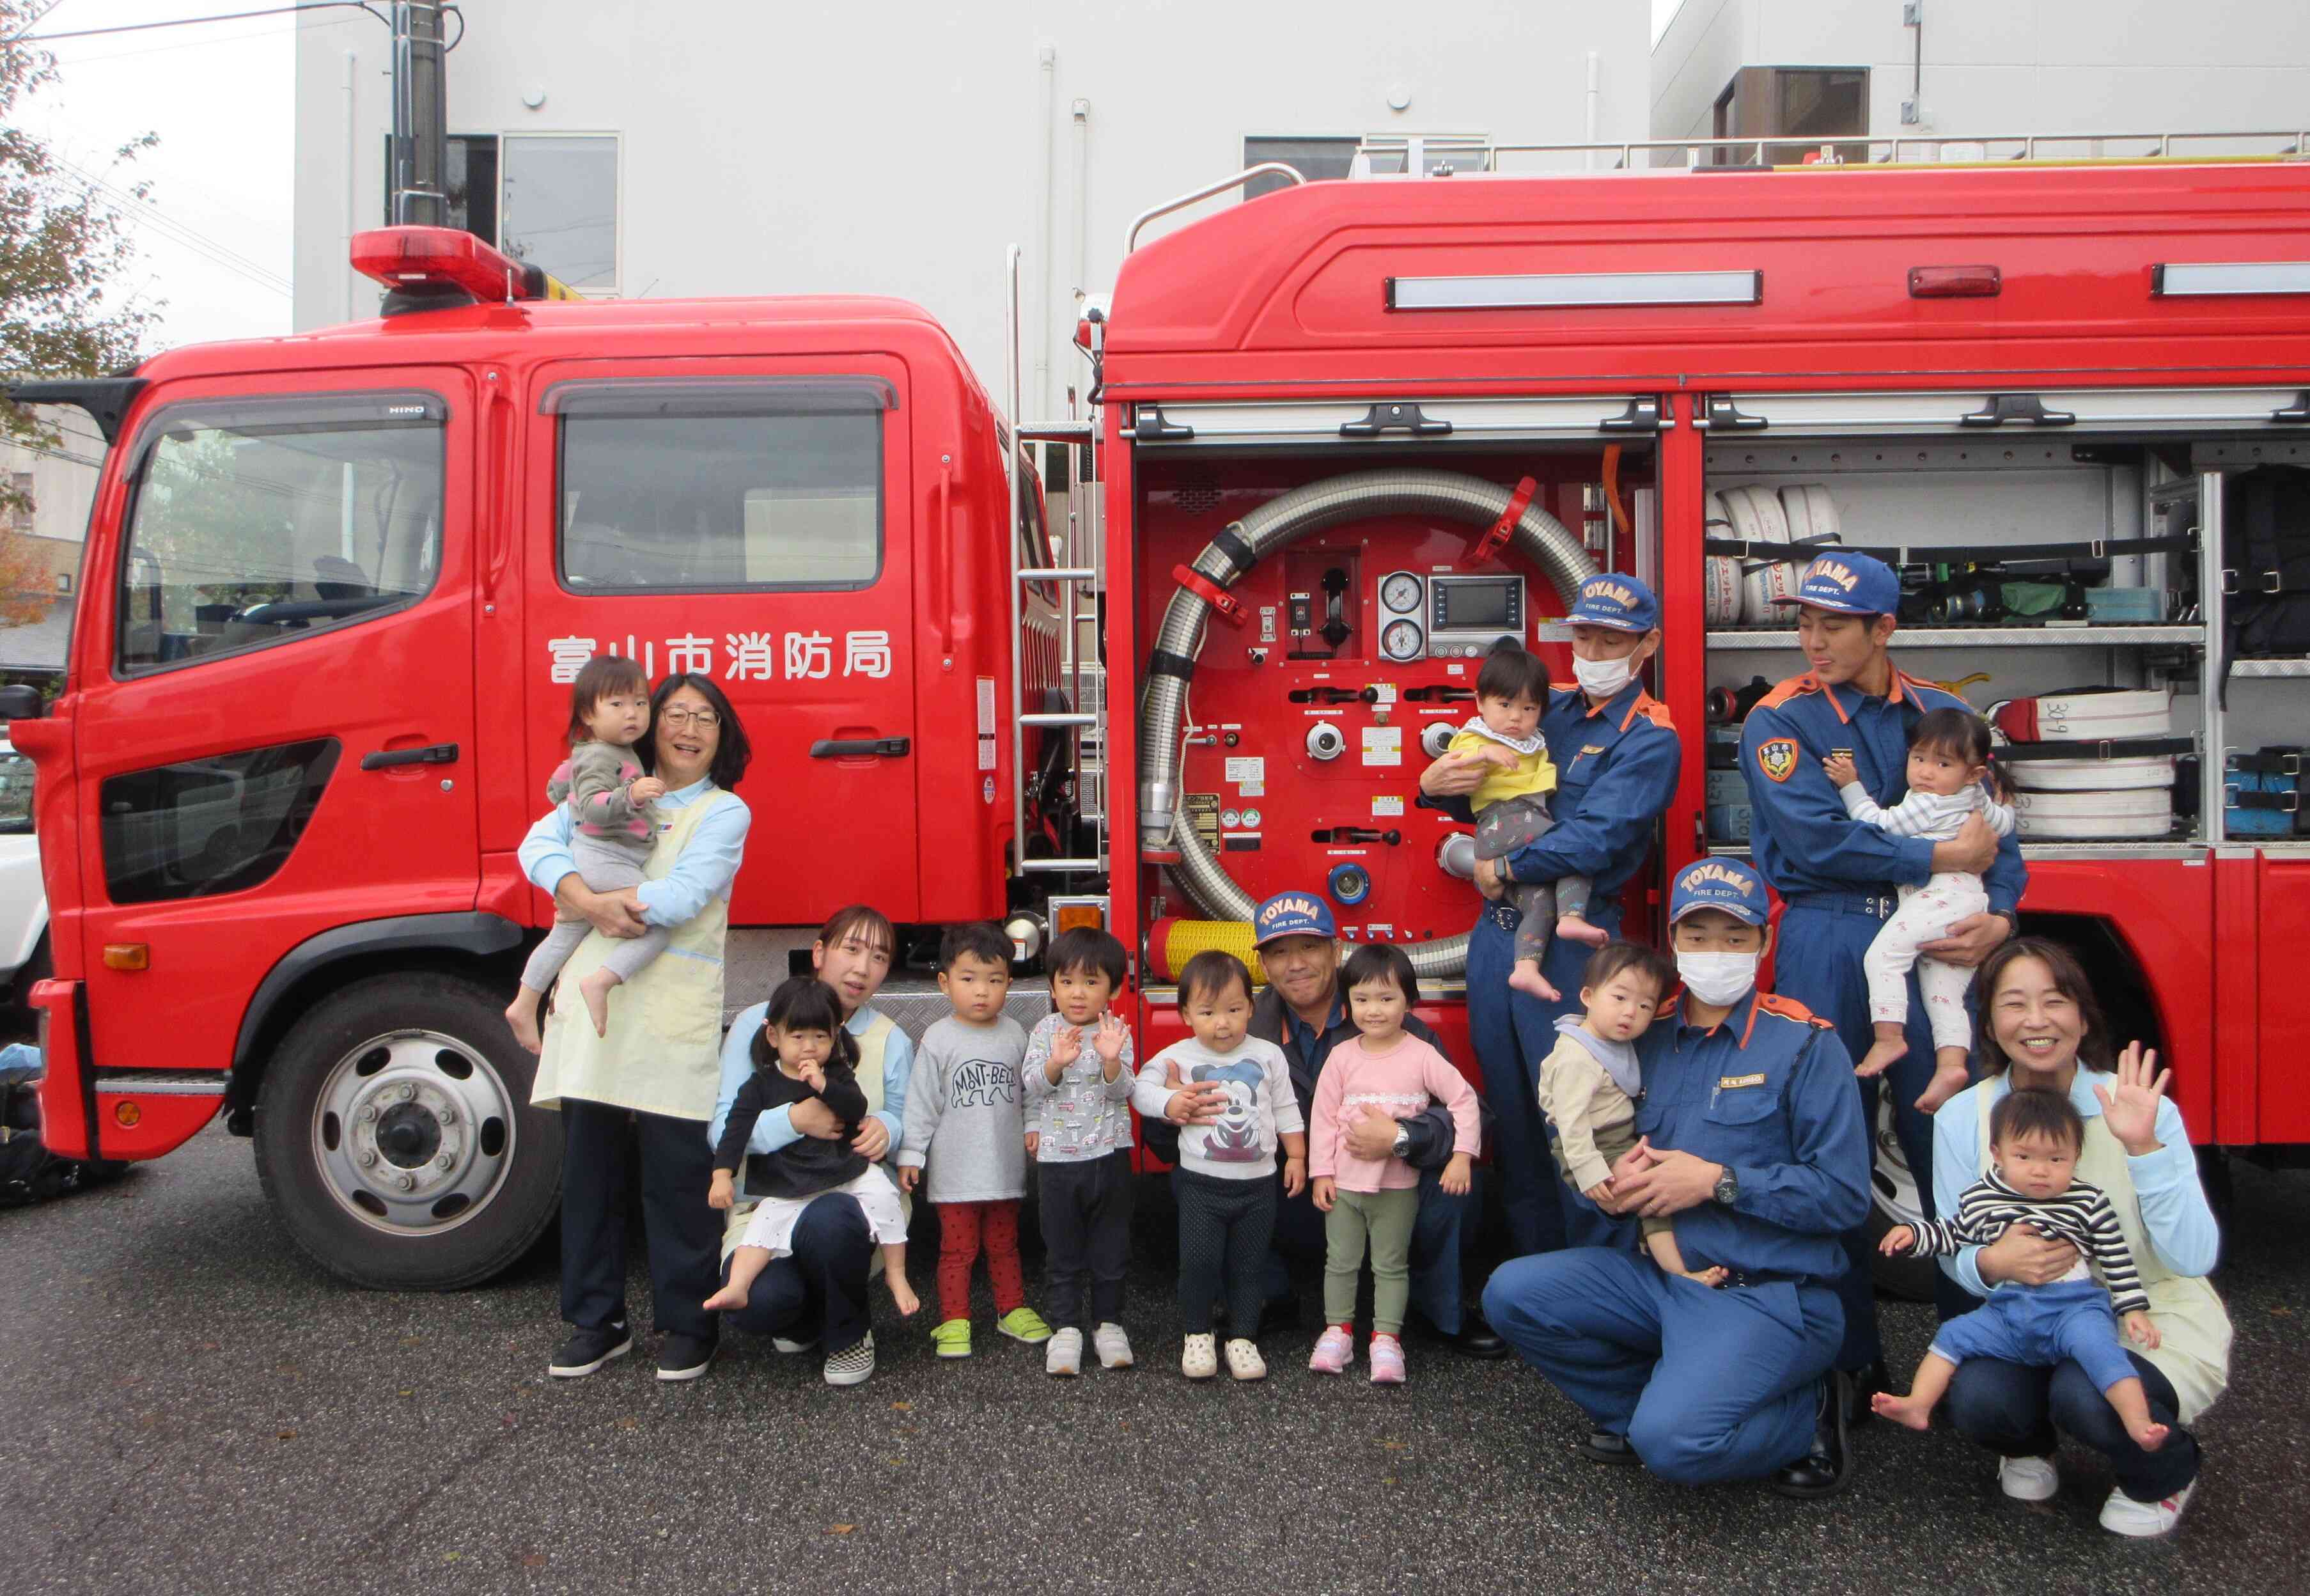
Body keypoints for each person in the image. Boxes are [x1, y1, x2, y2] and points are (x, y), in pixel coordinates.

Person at [1483, 858, 1871, 1497]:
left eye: (1734, 937)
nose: (1713, 951)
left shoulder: (1804, 1045)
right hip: (1662, 1276)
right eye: (1696, 936)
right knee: (1513, 1294)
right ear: (1672, 942)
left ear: (1763, 943)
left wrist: (1718, 1180)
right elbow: (1586, 1139)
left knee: (1675, 1446)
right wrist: (1611, 1186)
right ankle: (1656, 1402)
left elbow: (1845, 1197)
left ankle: (1809, 1410)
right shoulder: (1640, 1034)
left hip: (1763, 1291)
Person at [1739, 551, 2027, 1390]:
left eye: (1833, 625)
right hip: (1826, 938)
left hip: (1938, 941)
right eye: (1803, 623)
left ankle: (1976, 1364)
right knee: (1826, 1156)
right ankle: (1845, 1368)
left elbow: (2002, 843)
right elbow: (1817, 840)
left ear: (1883, 629)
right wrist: (1944, 850)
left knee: (1958, 1149)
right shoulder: (1780, 720)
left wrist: (2001, 917)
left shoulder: (1946, 716)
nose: (1814, 641)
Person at [1930, 939, 2228, 1538]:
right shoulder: (1962, 1118)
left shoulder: (2138, 1109)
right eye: (2013, 1004)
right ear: (1988, 1022)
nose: (2036, 1021)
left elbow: (2194, 1257)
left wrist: (2144, 1149)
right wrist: (1990, 1263)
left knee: (2086, 1390)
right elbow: (1952, 1249)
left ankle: (2163, 1474)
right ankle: (2028, 1446)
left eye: (2055, 1001)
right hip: (2029, 1316)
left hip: (2148, 1307)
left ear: (2083, 1016)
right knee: (1976, 1398)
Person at [1419, 572, 1679, 1256]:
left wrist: (1499, 868)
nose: (1591, 649)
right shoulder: (1544, 709)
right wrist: (1430, 785)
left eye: (1611, 638)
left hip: (1577, 948)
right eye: (1583, 635)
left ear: (1646, 644)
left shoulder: (1650, 737)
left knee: (1582, 1118)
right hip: (1495, 942)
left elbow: (1599, 836)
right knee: (1512, 1112)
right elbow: (1482, 798)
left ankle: (1602, 1282)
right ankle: (1538, 1281)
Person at [521, 671, 753, 1383]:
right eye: (675, 713)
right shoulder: (610, 790)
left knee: (678, 1173)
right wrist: (581, 897)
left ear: (724, 738)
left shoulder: (722, 812)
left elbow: (686, 894)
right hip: (598, 1006)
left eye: (705, 718)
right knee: (590, 1170)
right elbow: (536, 844)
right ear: (650, 726)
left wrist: (594, 901)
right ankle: (596, 1321)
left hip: (669, 1002)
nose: (687, 728)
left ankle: (690, 1321)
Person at [1231, 891, 1504, 1356]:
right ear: (1264, 964)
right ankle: (1267, 1297)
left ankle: (1436, 1309)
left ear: (1336, 952)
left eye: (1309, 948)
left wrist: (1403, 1137)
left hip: (1389, 1189)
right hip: (1298, 1194)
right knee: (1196, 1177)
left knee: (1455, 1183)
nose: (1294, 964)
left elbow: (1472, 1110)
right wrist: (1183, 1113)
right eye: (1279, 952)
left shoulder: (1385, 1016)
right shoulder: (1243, 1027)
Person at [1876, 1088, 2164, 1450]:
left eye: (2056, 1159)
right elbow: (1953, 1233)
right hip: (2010, 1310)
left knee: (2101, 1351)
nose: (2040, 1171)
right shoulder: (1983, 1197)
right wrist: (1913, 1233)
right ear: (1998, 1154)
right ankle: (1919, 1404)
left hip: (2073, 1308)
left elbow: (2114, 1254)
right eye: (2024, 1156)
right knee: (1952, 1335)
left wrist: (2132, 1308)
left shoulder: (2088, 1200)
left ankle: (2139, 1424)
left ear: (2076, 1156)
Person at [708, 904, 916, 1388]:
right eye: (851, 950)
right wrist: (794, 1119)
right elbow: (722, 1131)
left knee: (831, 1219)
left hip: (847, 1199)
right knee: (760, 1303)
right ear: (819, 953)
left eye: (880, 958)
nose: (863, 968)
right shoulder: (757, 1025)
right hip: (770, 1197)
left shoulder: (890, 1038)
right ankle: (804, 1317)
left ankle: (848, 1335)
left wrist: (887, 1126)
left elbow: (909, 1117)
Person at [1306, 943, 1479, 1384]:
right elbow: (1323, 1118)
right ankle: (1337, 1332)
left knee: (1390, 1264)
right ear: (1347, 1004)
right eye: (1362, 1000)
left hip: (1397, 1186)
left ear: (1409, 1001)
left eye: (1387, 999)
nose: (1374, 1010)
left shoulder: (1421, 1054)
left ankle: (1386, 1340)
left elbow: (1463, 1100)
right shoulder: (1342, 1056)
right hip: (1344, 1186)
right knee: (1340, 1261)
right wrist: (1321, 1173)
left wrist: (1462, 1156)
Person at [1828, 705, 2016, 1111]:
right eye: (1919, 759)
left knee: (1883, 957)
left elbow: (1876, 824)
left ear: (1973, 773)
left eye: (1943, 763)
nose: (1926, 773)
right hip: (1965, 899)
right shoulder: (1975, 798)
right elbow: (2003, 825)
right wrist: (2006, 805)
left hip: (1940, 894)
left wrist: (1850, 785)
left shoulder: (1927, 803)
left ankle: (1889, 1036)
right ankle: (1951, 1064)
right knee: (1942, 990)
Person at [1135, 950, 1307, 1382]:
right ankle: (1197, 1335)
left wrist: (1299, 1156)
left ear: (1251, 1007)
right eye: (1208, 1012)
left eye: (1233, 1010)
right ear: (1186, 1014)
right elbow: (1140, 1090)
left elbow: (1286, 1109)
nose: (1223, 1023)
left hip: (1257, 1186)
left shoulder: (1269, 1055)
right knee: (1198, 1262)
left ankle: (1243, 1338)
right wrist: (1171, 1101)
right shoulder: (1179, 1057)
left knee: (1249, 1266)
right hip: (1201, 1185)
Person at [704, 977, 917, 1321]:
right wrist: (721, 1175)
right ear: (774, 1037)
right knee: (761, 1230)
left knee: (884, 1197)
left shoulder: (837, 1073)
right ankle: (738, 1286)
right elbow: (734, 1132)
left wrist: (824, 1085)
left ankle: (897, 1274)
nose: (809, 1047)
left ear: (835, 1036)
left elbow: (855, 1108)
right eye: (798, 1036)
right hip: (785, 1182)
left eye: (820, 1037)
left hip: (845, 1170)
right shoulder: (760, 1084)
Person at [897, 921, 1053, 1359]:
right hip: (955, 1174)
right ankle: (954, 1319)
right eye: (968, 980)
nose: (981, 992)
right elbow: (922, 1103)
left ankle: (1012, 1309)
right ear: (945, 983)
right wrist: (912, 1153)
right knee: (957, 1250)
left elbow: (1030, 1093)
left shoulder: (1015, 1036)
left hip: (1004, 1168)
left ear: (1009, 982)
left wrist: (1033, 1128)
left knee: (1005, 1245)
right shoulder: (938, 1039)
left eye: (995, 980)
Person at [504, 655, 668, 1051]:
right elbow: (593, 807)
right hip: (605, 857)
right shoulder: (602, 756)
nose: (632, 714)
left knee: (565, 934)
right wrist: (630, 794)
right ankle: (603, 980)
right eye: (617, 704)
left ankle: (525, 1003)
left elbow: (558, 788)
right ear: (587, 714)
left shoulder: (593, 751)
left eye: (641, 703)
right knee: (661, 921)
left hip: (593, 857)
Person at [1536, 941, 1719, 1284]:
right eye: (1619, 998)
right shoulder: (1578, 1057)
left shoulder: (1609, 1043)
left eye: (1645, 1005)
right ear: (1588, 996)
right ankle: (1679, 1274)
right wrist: (1590, 1171)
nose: (1630, 1012)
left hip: (1617, 1138)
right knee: (1655, 1199)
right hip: (1595, 1146)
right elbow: (1571, 1124)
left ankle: (1652, 1250)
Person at [1448, 639, 1608, 1004]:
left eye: (1528, 708)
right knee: (1572, 851)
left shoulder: (1531, 740)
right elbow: (1458, 758)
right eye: (1504, 705)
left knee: (1539, 904)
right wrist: (1488, 752)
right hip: (1505, 821)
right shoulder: (1477, 736)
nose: (1515, 717)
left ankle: (1526, 968)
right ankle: (1572, 916)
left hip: (1512, 833)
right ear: (1480, 703)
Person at [1020, 925, 1138, 1377]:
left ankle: (1109, 1325)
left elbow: (1122, 1091)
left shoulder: (1115, 1030)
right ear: (1051, 985)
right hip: (1057, 1163)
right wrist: (1055, 1062)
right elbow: (1031, 1084)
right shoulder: (1045, 1029)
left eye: (1091, 982)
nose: (1077, 993)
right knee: (1062, 1251)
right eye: (1066, 981)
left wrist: (1110, 1059)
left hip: (1108, 1158)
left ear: (1113, 987)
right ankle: (1065, 1329)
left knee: (1111, 1249)